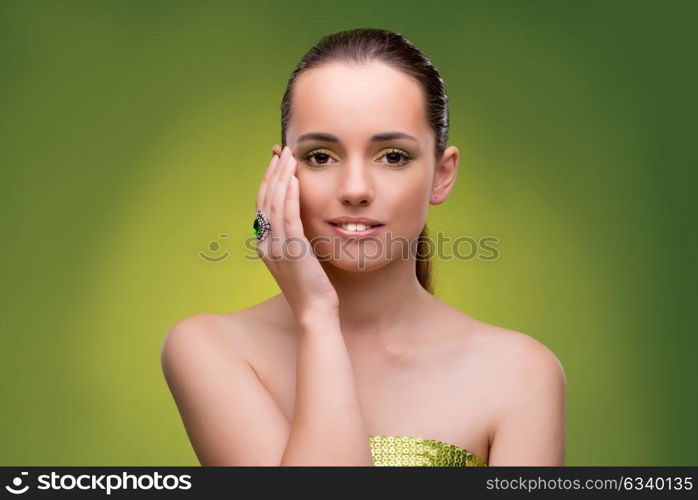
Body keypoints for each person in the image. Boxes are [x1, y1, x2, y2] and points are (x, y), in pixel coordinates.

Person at [160, 28, 566, 466]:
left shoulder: (521, 373)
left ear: (442, 175)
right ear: (282, 170)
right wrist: (317, 316)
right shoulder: (210, 348)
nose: (355, 189)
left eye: (393, 156)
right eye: (320, 156)